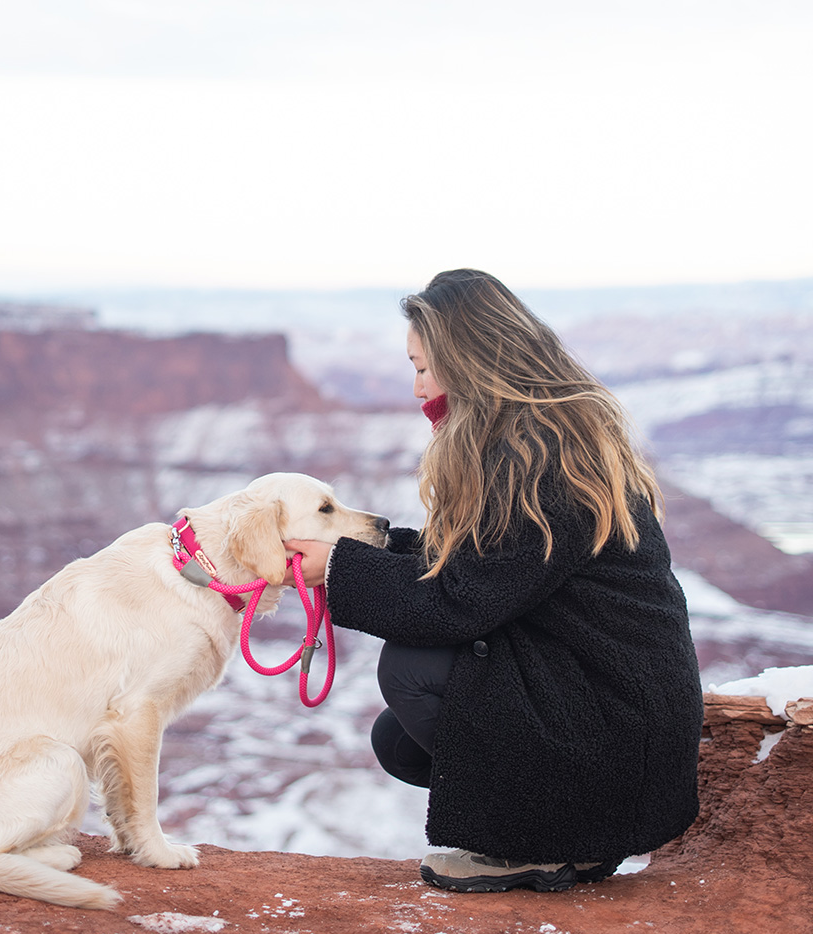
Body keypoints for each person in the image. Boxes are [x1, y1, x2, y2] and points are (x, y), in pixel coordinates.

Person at [285, 268, 703, 893]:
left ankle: (535, 844)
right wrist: (355, 549)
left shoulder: (541, 461)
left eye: (424, 368)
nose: (417, 386)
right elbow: (483, 565)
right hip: (609, 701)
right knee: (400, 740)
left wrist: (338, 568)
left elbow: (457, 603)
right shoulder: (542, 435)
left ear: (470, 360)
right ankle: (575, 840)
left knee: (409, 670)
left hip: (614, 721)